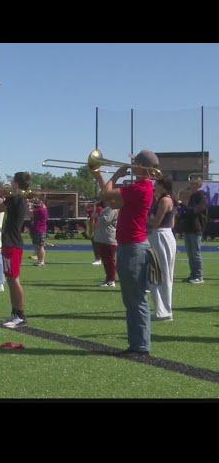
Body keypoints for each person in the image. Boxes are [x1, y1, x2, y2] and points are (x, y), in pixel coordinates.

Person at [94, 149, 159, 356]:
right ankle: (137, 345)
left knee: (135, 299)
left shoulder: (141, 188)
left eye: (134, 164)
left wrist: (114, 176)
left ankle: (140, 347)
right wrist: (98, 176)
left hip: (133, 248)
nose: (131, 166)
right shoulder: (141, 187)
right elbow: (111, 202)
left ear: (140, 165)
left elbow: (107, 194)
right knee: (132, 300)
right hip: (130, 247)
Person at [0, 172, 31, 328]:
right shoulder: (17, 199)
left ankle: (20, 316)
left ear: (17, 184)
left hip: (12, 244)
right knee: (11, 280)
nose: (10, 184)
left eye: (13, 182)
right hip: (10, 243)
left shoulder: (16, 199)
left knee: (14, 280)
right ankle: (14, 313)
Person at [148, 176, 177, 320]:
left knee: (160, 274)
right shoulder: (165, 199)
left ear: (163, 186)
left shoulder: (165, 200)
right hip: (164, 235)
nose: (155, 185)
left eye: (157, 183)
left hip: (160, 235)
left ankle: (164, 311)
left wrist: (142, 217)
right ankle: (164, 310)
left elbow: (156, 223)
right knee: (161, 274)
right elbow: (172, 224)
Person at [182, 177, 208, 284]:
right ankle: (193, 275)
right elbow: (190, 211)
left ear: (198, 185)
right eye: (191, 183)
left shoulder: (201, 196)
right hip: (189, 228)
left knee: (195, 253)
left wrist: (187, 209)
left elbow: (197, 210)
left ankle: (199, 276)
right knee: (190, 253)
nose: (191, 185)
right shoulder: (192, 196)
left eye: (193, 184)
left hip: (196, 228)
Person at [93, 201, 119, 287]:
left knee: (110, 260)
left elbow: (106, 220)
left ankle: (111, 280)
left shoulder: (112, 208)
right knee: (105, 260)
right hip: (103, 237)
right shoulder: (108, 208)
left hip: (109, 238)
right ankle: (108, 279)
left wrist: (97, 216)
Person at [30, 198, 49, 267]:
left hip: (40, 230)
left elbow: (30, 212)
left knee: (40, 246)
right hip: (36, 229)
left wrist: (30, 205)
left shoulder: (40, 210)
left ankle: (42, 261)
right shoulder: (42, 209)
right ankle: (39, 261)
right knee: (37, 246)